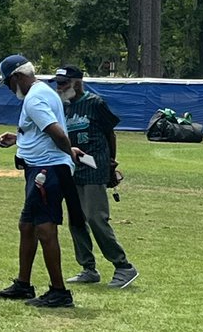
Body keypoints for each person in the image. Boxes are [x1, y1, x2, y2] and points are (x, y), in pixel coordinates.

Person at [0, 54, 83, 308]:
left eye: (8, 82)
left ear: (17, 77)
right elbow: (43, 131)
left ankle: (59, 291)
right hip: (42, 166)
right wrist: (19, 138)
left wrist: (67, 153)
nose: (9, 88)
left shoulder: (35, 99)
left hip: (46, 169)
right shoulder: (43, 92)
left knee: (45, 228)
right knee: (27, 225)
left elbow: (56, 131)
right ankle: (23, 283)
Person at [54, 65, 139, 288]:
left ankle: (123, 266)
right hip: (72, 168)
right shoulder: (64, 106)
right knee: (76, 220)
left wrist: (111, 163)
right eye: (58, 83)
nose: (60, 87)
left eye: (64, 82)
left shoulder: (95, 103)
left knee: (95, 217)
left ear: (78, 82)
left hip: (94, 166)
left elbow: (110, 132)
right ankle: (88, 268)